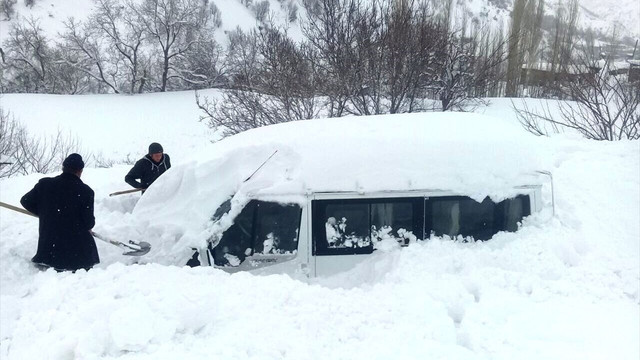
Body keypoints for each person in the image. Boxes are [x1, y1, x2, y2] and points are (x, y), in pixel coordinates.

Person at [20, 153, 99, 271]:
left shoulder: (45, 184)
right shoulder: (86, 192)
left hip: (49, 250)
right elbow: (88, 223)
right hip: (76, 255)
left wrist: (46, 213)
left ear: (63, 168)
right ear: (80, 171)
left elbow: (25, 201)